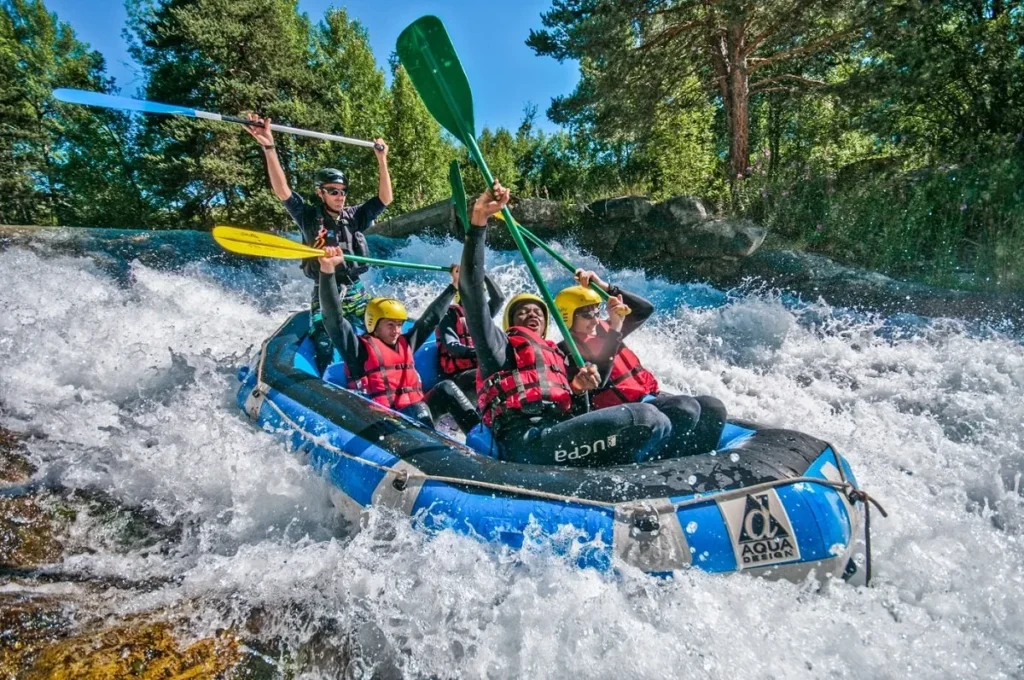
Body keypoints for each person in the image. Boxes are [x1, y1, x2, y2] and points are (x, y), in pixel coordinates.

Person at [458, 181, 672, 467]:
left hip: (557, 433)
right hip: (526, 440)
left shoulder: (557, 356)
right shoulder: (498, 348)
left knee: (683, 414)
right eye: (523, 313)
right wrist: (479, 221)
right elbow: (472, 293)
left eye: (538, 311)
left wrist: (579, 387)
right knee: (648, 419)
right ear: (509, 322)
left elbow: (577, 408)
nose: (532, 314)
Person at [245, 114, 392, 373]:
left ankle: (382, 374)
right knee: (325, 344)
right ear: (320, 193)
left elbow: (385, 198)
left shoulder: (354, 216)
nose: (340, 196)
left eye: (343, 191)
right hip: (325, 291)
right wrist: (268, 147)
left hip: (355, 290)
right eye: (333, 191)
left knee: (384, 326)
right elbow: (282, 191)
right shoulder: (309, 216)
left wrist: (382, 160)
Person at [554, 274, 727, 457]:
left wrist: (605, 287)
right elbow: (600, 380)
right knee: (684, 408)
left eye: (596, 311)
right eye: (587, 314)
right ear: (568, 316)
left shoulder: (604, 329)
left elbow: (644, 309)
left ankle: (699, 461)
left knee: (713, 407)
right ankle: (665, 465)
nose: (595, 319)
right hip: (626, 416)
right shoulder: (566, 352)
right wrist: (615, 329)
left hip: (647, 399)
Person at [317, 247, 480, 434]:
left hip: (418, 418)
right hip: (383, 423)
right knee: (419, 409)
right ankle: (433, 453)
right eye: (390, 325)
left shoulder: (405, 344)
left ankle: (480, 441)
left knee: (446, 389)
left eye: (399, 324)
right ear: (373, 324)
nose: (396, 330)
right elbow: (333, 318)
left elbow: (430, 320)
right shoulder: (357, 350)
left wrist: (454, 286)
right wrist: (327, 271)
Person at [435, 273, 505, 396]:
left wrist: (482, 273)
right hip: (458, 375)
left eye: (480, 293)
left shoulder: (482, 315)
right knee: (488, 378)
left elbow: (499, 299)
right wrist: (477, 352)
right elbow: (452, 346)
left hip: (480, 369)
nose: (478, 297)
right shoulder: (448, 314)